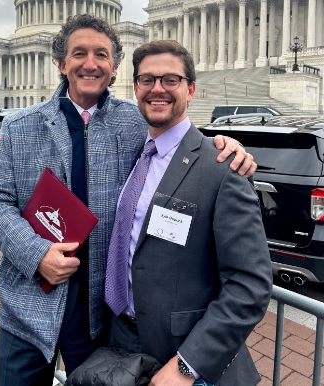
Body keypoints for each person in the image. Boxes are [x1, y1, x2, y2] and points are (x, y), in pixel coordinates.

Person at [0, 15, 257, 385]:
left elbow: (177, 137)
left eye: (101, 55)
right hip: (29, 305)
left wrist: (223, 145)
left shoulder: (134, 121)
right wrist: (35, 253)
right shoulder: (19, 126)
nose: (90, 63)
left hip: (97, 316)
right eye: (79, 53)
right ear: (62, 63)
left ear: (113, 68)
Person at [105, 39, 272, 386]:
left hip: (185, 356)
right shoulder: (135, 155)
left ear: (191, 89)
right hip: (122, 341)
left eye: (171, 80)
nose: (157, 89)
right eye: (147, 80)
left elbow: (250, 284)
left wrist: (187, 365)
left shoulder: (223, 167)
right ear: (135, 87)